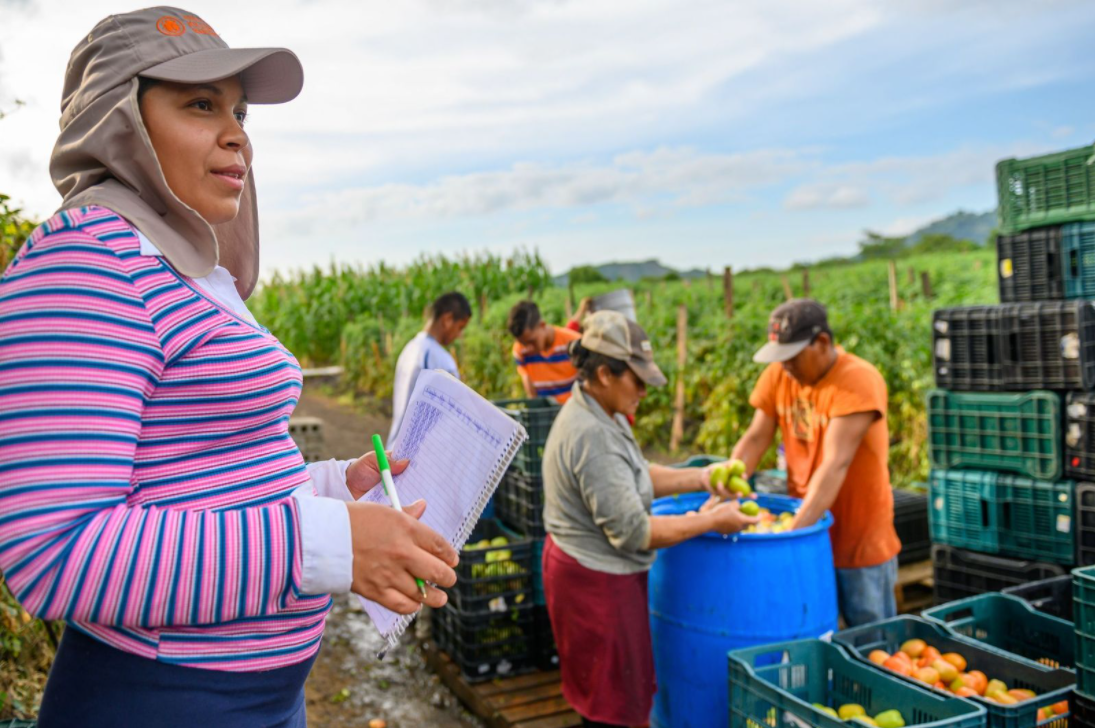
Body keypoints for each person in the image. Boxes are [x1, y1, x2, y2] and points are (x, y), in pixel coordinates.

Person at [0, 9, 458, 726]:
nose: (237, 132)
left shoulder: (186, 269)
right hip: (160, 701)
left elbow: (196, 471)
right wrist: (328, 542)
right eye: (200, 103)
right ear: (119, 119)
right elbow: (54, 551)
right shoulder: (86, 259)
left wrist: (331, 487)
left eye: (239, 109)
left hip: (260, 701)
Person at [541, 311, 758, 728]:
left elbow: (636, 474)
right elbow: (635, 532)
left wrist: (701, 476)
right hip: (595, 583)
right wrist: (711, 520)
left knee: (610, 696)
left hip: (590, 570)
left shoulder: (603, 410)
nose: (643, 390)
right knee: (613, 708)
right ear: (604, 373)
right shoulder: (593, 435)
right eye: (636, 380)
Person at [718, 299, 901, 627]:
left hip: (857, 536)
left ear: (822, 343)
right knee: (811, 629)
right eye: (780, 358)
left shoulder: (856, 380)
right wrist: (725, 488)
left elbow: (835, 463)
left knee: (872, 638)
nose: (784, 366)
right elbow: (756, 438)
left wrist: (791, 535)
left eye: (792, 357)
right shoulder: (779, 375)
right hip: (807, 525)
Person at [389, 291, 471, 440]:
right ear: (447, 319)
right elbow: (452, 417)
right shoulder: (441, 360)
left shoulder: (410, 348)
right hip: (416, 457)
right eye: (460, 327)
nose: (460, 335)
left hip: (394, 448)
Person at [508, 300, 582, 403]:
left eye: (531, 341)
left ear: (542, 325)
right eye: (523, 343)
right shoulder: (520, 350)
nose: (528, 348)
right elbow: (529, 385)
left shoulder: (573, 344)